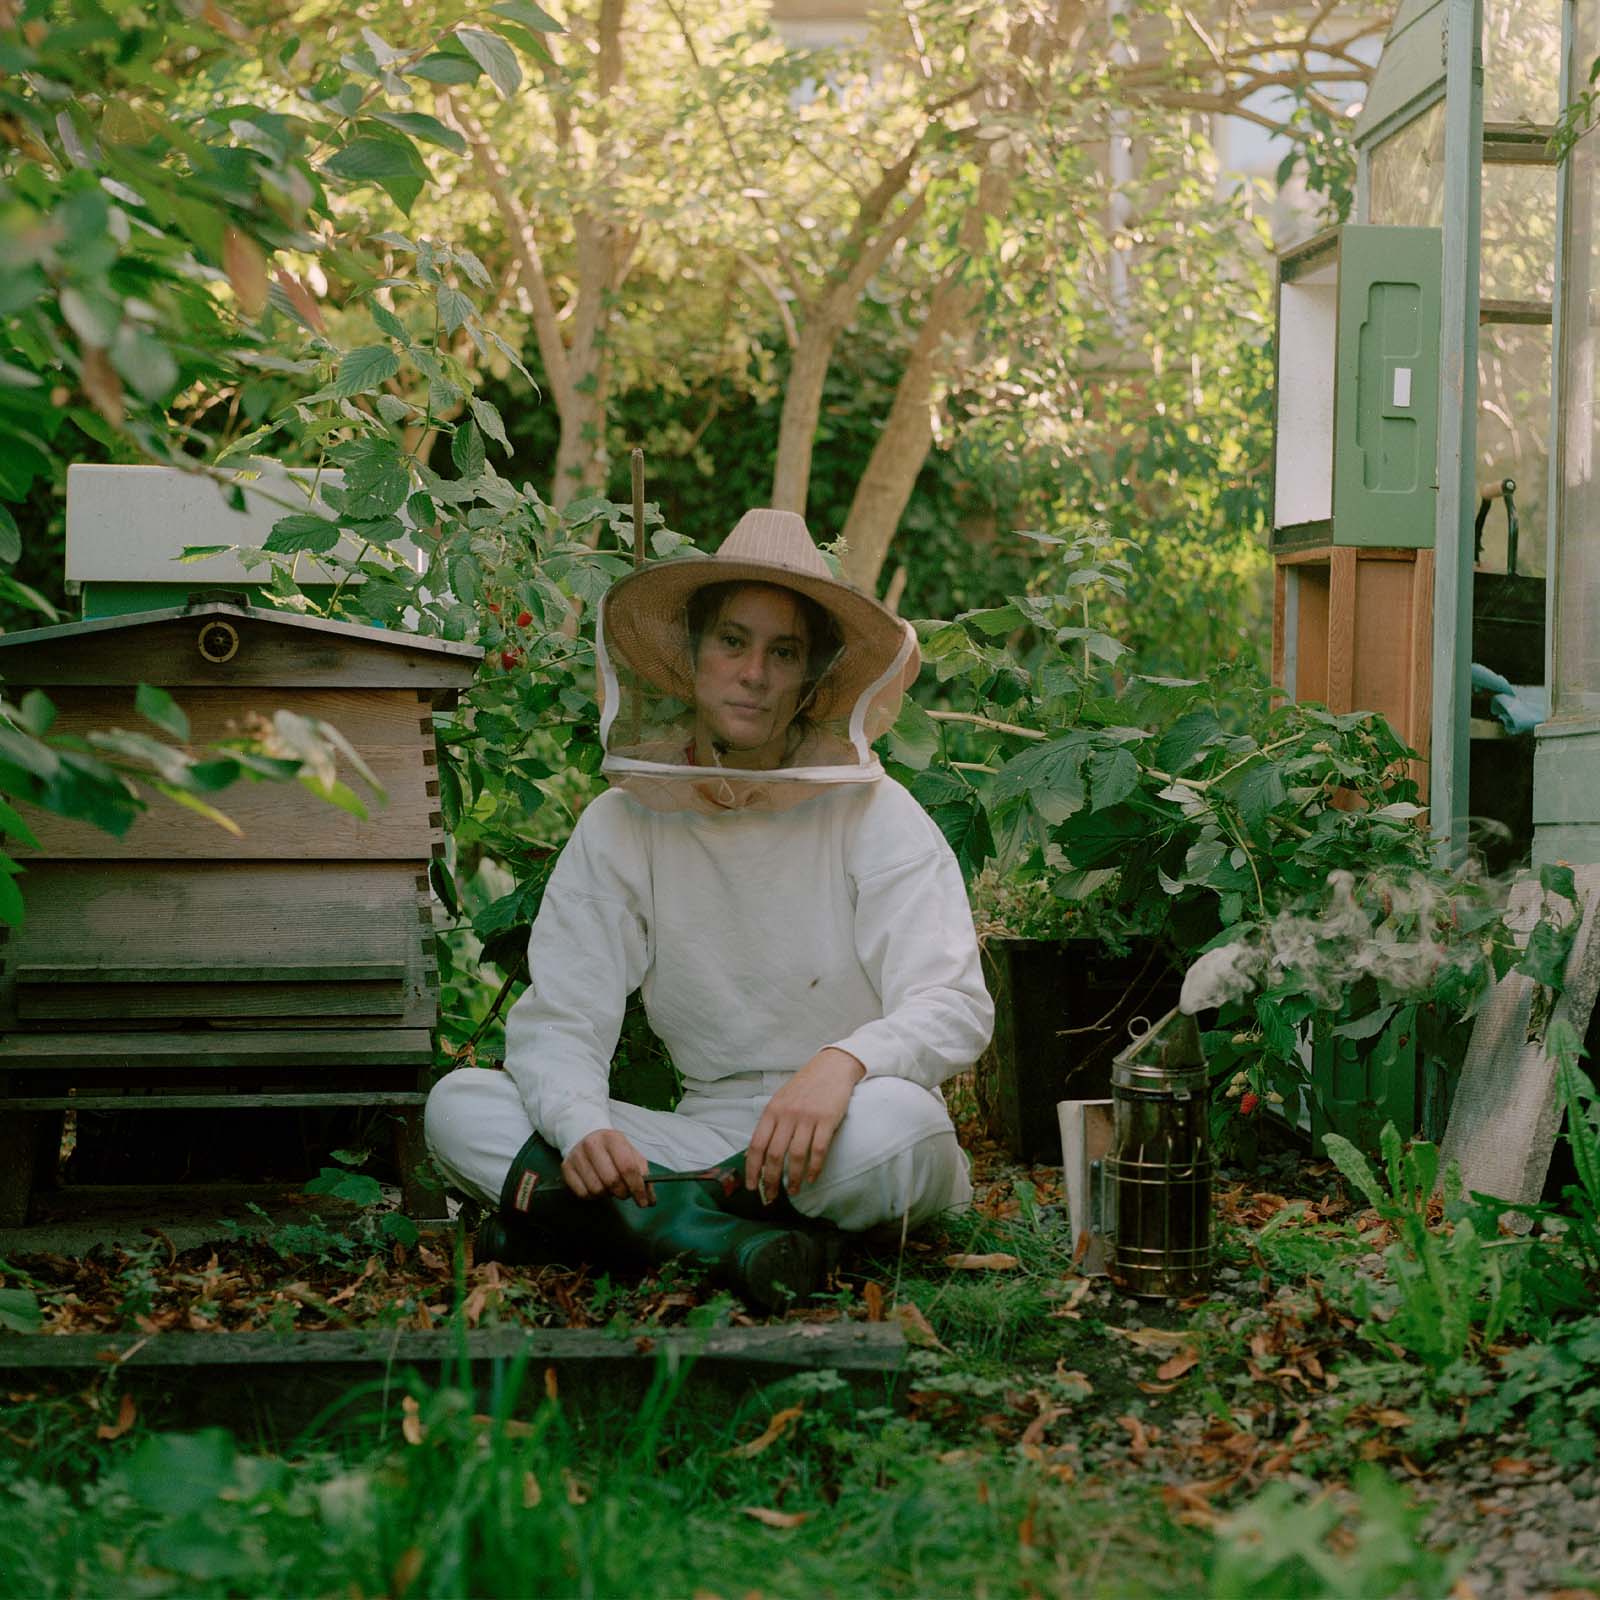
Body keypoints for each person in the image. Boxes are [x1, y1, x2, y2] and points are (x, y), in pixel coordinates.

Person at [424, 508, 994, 1310]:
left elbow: (954, 1004)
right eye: (733, 641)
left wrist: (843, 1064)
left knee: (901, 1131)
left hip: (849, 1124)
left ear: (810, 681)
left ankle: (609, 1225)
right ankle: (725, 1236)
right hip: (702, 1136)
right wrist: (586, 1128)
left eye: (783, 651)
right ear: (692, 657)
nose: (754, 672)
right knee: (460, 1107)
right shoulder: (623, 821)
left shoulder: (877, 812)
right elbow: (562, 1021)